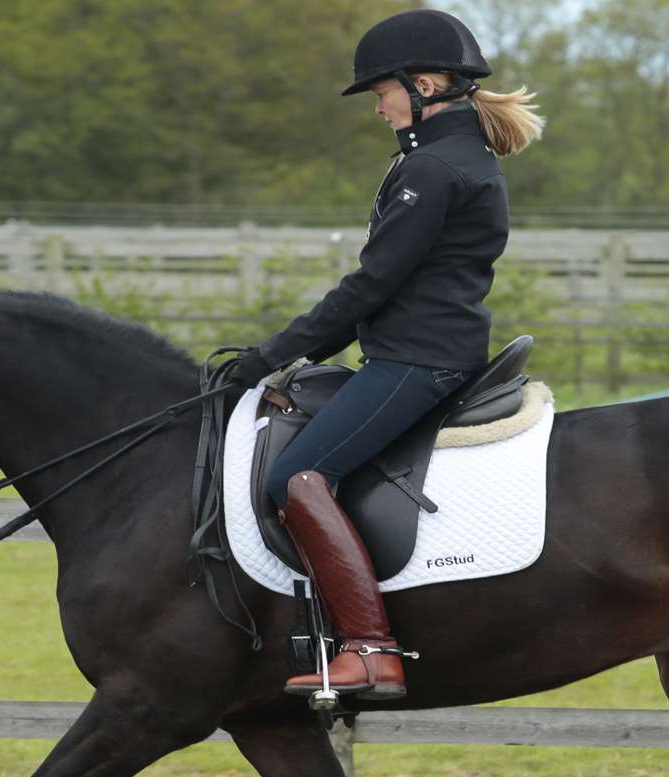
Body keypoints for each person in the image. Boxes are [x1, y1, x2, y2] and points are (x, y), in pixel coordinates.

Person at [226, 9, 544, 702]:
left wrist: (267, 357)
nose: (379, 109)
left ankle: (370, 649)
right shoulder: (445, 159)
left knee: (299, 476)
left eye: (382, 94)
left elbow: (371, 285)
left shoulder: (432, 168)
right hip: (416, 350)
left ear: (423, 84)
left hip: (417, 360)